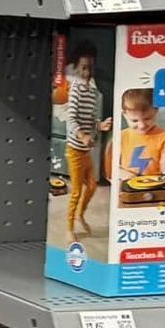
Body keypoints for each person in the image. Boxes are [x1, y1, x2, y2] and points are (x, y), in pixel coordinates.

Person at [63, 41, 100, 234]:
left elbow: (91, 118)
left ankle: (81, 215)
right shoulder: (76, 89)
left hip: (86, 151)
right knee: (76, 191)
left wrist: (99, 126)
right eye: (84, 68)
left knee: (92, 186)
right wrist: (82, 135)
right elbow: (71, 118)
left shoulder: (92, 91)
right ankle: (70, 228)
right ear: (77, 69)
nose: (87, 72)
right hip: (75, 150)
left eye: (90, 67)